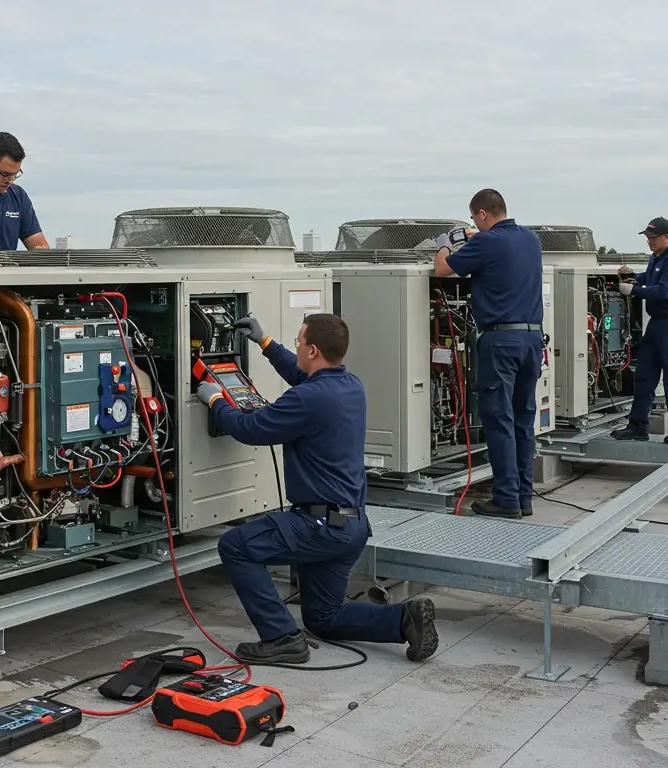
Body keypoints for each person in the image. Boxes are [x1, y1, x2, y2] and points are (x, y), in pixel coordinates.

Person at [196, 313, 439, 665]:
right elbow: (304, 378)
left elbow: (251, 429)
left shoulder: (307, 400)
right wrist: (266, 344)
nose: (295, 347)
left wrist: (216, 400)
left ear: (312, 350)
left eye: (297, 342)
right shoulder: (350, 385)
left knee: (235, 546)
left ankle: (280, 638)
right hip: (350, 526)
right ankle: (404, 619)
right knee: (323, 617)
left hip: (318, 526)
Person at [433, 188, 545, 519]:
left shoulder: (485, 242)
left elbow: (442, 269)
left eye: (474, 218)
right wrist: (473, 236)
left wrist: (444, 242)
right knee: (523, 420)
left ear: (482, 214)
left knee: (498, 420)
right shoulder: (530, 240)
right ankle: (524, 497)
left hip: (501, 343)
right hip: (531, 340)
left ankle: (506, 499)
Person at [611, 217, 668, 444]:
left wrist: (634, 291)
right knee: (644, 376)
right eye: (647, 237)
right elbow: (648, 279)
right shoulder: (656, 258)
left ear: (667, 237)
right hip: (656, 324)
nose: (649, 241)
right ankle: (637, 426)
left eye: (653, 238)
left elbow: (663, 290)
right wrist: (631, 278)